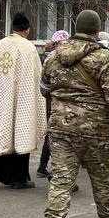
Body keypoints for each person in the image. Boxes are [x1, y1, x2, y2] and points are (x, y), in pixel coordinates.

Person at [42, 11, 109, 218]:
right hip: (97, 130)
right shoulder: (104, 58)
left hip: (60, 127)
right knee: (103, 181)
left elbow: (44, 89)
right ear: (96, 31)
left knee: (61, 180)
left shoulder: (53, 57)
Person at [0, 14, 45, 189]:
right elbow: (36, 76)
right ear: (26, 30)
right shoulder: (28, 48)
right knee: (21, 134)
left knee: (3, 130)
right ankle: (19, 178)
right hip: (22, 98)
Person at [36, 30, 70, 178]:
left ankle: (43, 166)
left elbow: (43, 87)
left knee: (51, 134)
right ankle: (59, 169)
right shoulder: (71, 59)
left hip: (51, 103)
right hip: (67, 104)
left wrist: (51, 92)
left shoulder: (48, 60)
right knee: (65, 136)